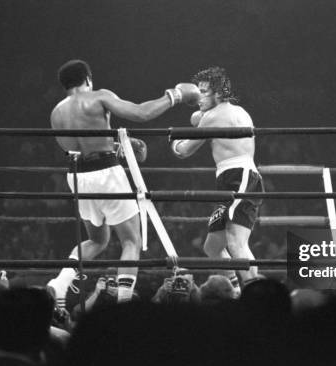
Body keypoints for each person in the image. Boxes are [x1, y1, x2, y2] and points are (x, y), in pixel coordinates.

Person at [47, 59, 199, 307]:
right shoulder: (98, 96)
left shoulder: (56, 112)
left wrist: (115, 147)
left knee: (97, 240)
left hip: (77, 177)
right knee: (131, 241)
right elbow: (141, 113)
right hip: (106, 172)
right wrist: (176, 95)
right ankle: (124, 304)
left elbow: (73, 148)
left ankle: (59, 283)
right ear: (88, 79)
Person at [170, 66, 263, 291]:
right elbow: (201, 119)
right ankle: (235, 290)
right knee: (213, 247)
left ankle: (256, 294)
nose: (198, 97)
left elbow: (184, 151)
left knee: (235, 241)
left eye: (203, 92)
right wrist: (200, 116)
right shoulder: (235, 111)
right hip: (231, 178)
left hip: (239, 176)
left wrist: (172, 140)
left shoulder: (213, 116)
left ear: (218, 94)